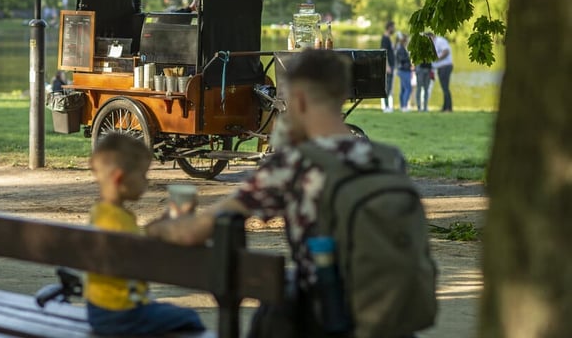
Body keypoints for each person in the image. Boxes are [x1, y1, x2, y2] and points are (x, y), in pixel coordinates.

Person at [147, 49, 412, 336]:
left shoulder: (294, 164)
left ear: (297, 100)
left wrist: (160, 229)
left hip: (328, 319)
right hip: (393, 314)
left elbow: (194, 232)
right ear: (343, 96)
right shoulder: (389, 159)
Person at [85, 133, 205, 336]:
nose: (146, 181)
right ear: (119, 177)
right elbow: (142, 256)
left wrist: (166, 219)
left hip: (99, 309)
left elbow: (137, 238)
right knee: (189, 318)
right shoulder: (116, 221)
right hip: (123, 314)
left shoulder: (103, 213)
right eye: (142, 175)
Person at [427, 32, 453, 112]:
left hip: (445, 67)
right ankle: (445, 107)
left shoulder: (440, 41)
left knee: (445, 88)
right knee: (444, 88)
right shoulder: (434, 43)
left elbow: (446, 51)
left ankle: (448, 108)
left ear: (432, 36)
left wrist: (438, 58)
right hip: (440, 68)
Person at [395, 32, 413, 111]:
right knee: (408, 88)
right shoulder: (401, 49)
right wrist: (409, 58)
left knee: (403, 89)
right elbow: (402, 59)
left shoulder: (401, 48)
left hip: (402, 70)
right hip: (404, 70)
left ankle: (402, 106)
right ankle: (404, 106)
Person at [380, 21, 395, 112]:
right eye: (393, 27)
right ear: (389, 27)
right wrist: (387, 65)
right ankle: (386, 107)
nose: (394, 29)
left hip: (392, 65)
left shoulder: (389, 38)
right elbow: (383, 51)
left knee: (389, 87)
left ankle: (388, 106)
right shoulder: (385, 38)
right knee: (387, 87)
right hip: (388, 66)